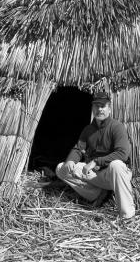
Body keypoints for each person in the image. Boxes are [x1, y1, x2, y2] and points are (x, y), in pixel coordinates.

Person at [55, 92, 135, 221]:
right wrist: (70, 161)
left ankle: (127, 215)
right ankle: (96, 193)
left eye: (103, 106)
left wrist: (95, 162)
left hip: (113, 174)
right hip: (96, 174)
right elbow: (78, 149)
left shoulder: (116, 127)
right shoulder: (88, 130)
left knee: (117, 165)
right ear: (92, 109)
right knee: (61, 169)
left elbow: (122, 153)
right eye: (97, 106)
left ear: (109, 108)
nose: (100, 109)